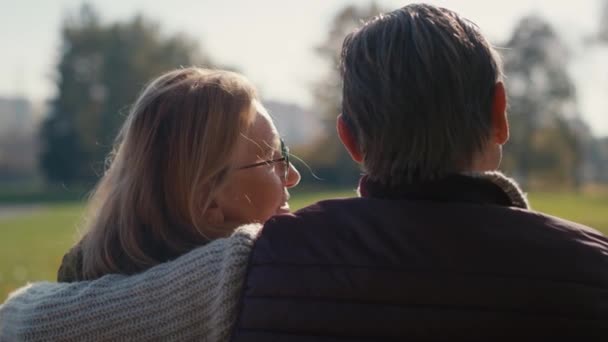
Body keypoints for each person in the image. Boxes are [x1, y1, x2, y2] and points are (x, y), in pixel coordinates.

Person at [2, 4, 607, 341]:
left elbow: (26, 323)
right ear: (500, 114)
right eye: (274, 159)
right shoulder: (594, 271)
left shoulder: (249, 265)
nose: (291, 177)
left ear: (349, 139)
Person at [53, 67, 300, 283]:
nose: (293, 176)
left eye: (285, 154)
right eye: (271, 158)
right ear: (205, 199)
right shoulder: (268, 292)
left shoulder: (55, 310)